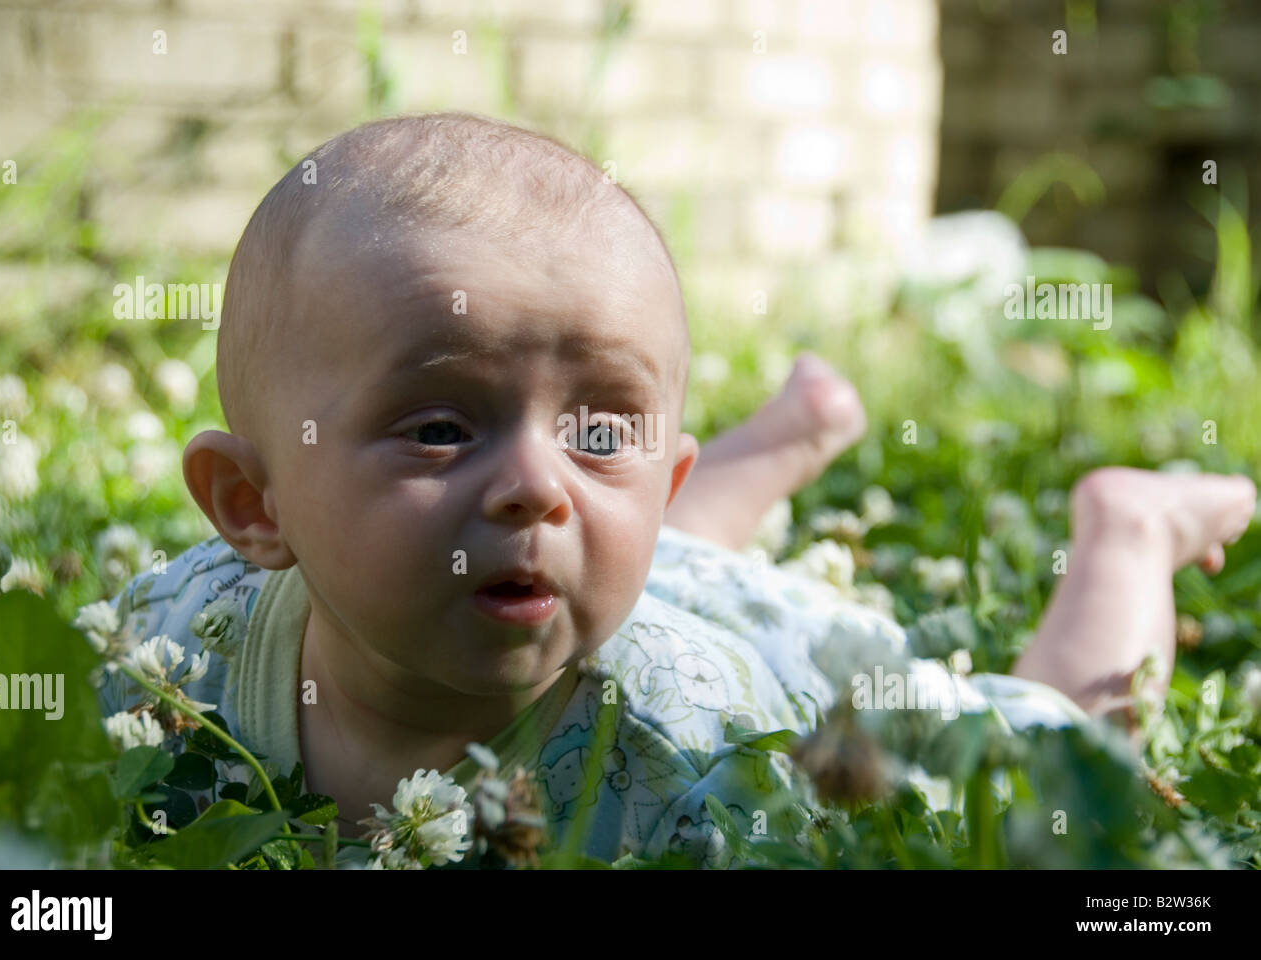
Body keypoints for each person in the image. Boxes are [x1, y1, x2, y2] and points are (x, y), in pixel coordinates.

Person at [92, 112, 1256, 868]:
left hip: (754, 659)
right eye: (442, 426)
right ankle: (785, 440)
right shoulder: (173, 659)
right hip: (634, 582)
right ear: (253, 508)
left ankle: (1127, 529)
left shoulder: (709, 764)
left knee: (1065, 751)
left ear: (661, 479)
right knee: (609, 547)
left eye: (604, 428)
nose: (535, 484)